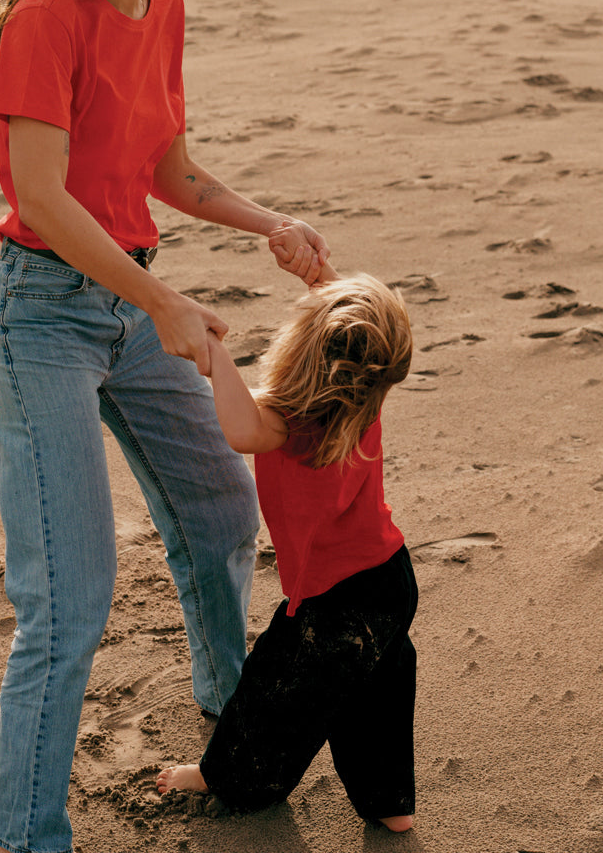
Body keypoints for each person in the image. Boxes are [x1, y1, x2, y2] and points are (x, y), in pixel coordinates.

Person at [0, 0, 331, 851]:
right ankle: (23, 833)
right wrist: (165, 299)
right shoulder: (46, 20)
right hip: (41, 312)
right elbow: (38, 196)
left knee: (222, 509)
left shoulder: (161, 8)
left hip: (130, 302)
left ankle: (233, 730)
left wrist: (272, 224)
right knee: (69, 597)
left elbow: (170, 172)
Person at [157, 273, 419, 833]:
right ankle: (390, 804)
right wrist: (322, 278)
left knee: (273, 695)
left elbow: (242, 430)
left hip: (334, 602)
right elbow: (356, 335)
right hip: (392, 579)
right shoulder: (362, 400)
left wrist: (217, 355)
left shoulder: (292, 423)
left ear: (301, 349)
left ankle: (226, 777)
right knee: (379, 695)